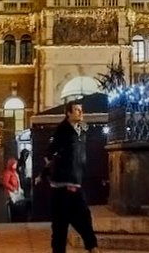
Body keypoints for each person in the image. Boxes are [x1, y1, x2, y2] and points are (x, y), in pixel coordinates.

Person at [44, 100, 99, 253]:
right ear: (68, 113)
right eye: (76, 110)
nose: (80, 112)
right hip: (63, 185)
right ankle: (90, 247)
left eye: (81, 109)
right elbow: (49, 153)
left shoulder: (81, 130)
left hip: (76, 181)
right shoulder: (62, 131)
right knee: (61, 224)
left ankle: (92, 246)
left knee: (83, 217)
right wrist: (56, 171)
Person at [3, 157, 24, 221]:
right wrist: (13, 189)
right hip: (11, 193)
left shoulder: (15, 172)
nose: (16, 165)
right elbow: (5, 183)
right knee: (12, 206)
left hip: (16, 191)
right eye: (14, 164)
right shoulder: (7, 172)